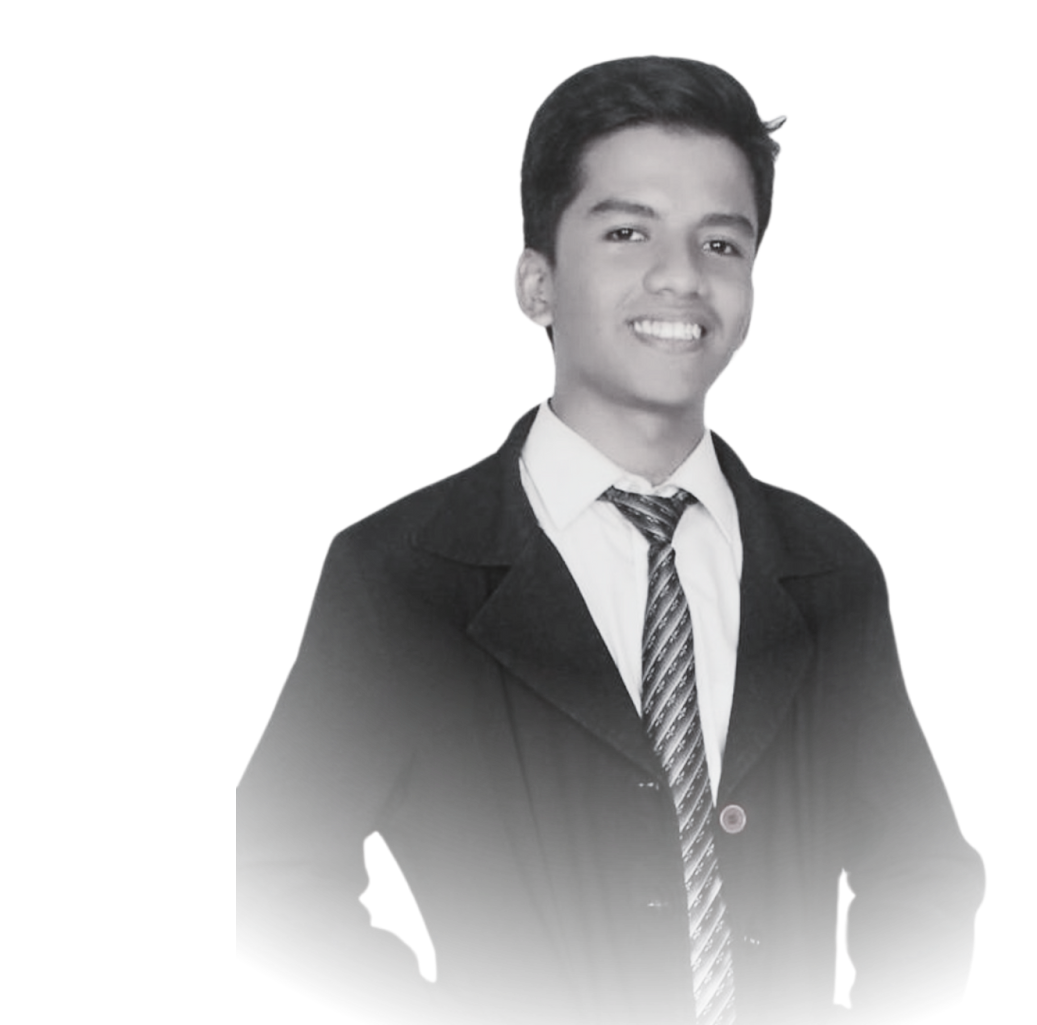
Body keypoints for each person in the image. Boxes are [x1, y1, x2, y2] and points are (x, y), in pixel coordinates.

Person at [236, 54, 985, 1025]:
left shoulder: (827, 564)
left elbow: (921, 865)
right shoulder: (402, 571)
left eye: (720, 242)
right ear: (535, 283)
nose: (680, 276)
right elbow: (268, 876)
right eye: (628, 231)